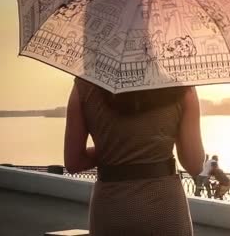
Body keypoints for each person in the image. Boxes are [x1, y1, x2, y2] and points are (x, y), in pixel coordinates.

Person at [64, 78, 205, 235]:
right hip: (165, 207)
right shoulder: (181, 87)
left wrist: (115, 147)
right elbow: (194, 164)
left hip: (111, 209)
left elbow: (74, 162)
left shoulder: (84, 86)